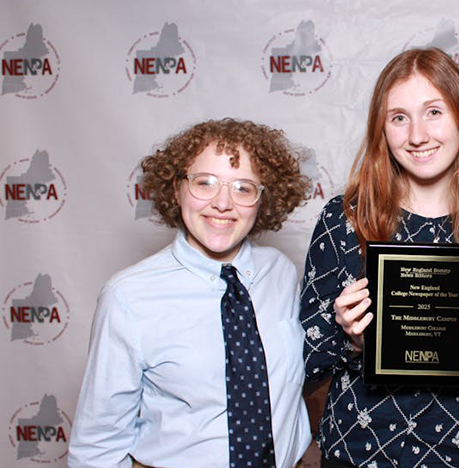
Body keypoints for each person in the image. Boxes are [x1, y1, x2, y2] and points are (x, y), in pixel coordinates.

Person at [301, 48, 459, 468]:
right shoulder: (344, 220)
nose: (417, 134)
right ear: (383, 130)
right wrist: (347, 336)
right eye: (399, 117)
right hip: (356, 452)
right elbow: (305, 366)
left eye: (434, 112)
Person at [68, 119, 312, 468]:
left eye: (243, 188)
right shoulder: (128, 297)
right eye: (205, 183)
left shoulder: (281, 274)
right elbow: (97, 445)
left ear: (262, 199)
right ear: (176, 189)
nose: (223, 203)